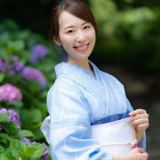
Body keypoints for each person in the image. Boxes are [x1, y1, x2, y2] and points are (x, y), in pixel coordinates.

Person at [40, 0, 149, 159]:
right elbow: (70, 150)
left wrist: (138, 128)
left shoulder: (112, 82)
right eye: (70, 31)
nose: (81, 37)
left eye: (86, 27)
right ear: (57, 38)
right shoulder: (63, 89)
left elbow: (129, 141)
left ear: (94, 28)